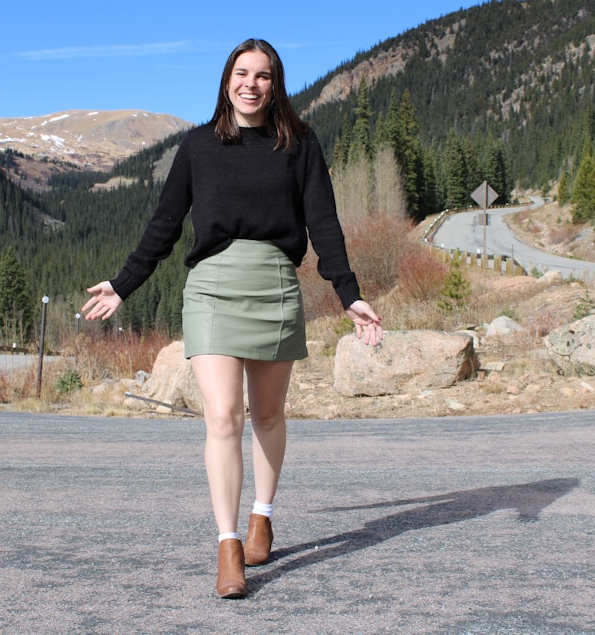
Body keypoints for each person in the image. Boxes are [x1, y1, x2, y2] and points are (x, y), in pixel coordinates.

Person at [81, 38, 383, 599]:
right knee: (223, 416)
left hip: (275, 286)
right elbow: (164, 225)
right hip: (212, 290)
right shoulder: (198, 146)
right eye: (241, 73)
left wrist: (350, 294)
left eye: (263, 75)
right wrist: (123, 285)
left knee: (268, 415)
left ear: (276, 84)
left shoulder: (300, 144)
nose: (251, 83)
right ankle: (227, 545)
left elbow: (324, 223)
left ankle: (261, 516)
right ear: (226, 81)